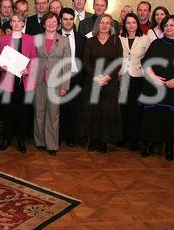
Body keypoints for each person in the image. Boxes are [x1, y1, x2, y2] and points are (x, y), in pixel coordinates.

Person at [140, 15, 174, 161]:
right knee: (152, 118)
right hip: (154, 88)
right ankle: (148, 145)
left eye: (172, 25)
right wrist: (155, 78)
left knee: (170, 119)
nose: (168, 28)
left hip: (173, 88)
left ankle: (169, 147)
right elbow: (146, 62)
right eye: (166, 25)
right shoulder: (156, 43)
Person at [81, 14, 123, 153]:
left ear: (111, 26)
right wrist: (96, 77)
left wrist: (108, 77)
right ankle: (93, 139)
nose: (104, 25)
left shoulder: (116, 41)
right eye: (102, 22)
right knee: (93, 112)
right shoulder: (90, 41)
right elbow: (86, 62)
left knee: (106, 112)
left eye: (108, 23)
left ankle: (104, 141)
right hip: (93, 82)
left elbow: (119, 62)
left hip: (109, 83)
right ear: (97, 25)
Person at [0, 11, 37, 153]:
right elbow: (0, 60)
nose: (16, 24)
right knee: (7, 112)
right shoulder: (3, 40)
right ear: (10, 23)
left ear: (23, 23)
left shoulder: (30, 39)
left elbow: (34, 59)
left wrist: (29, 69)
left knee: (22, 113)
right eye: (13, 21)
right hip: (8, 81)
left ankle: (21, 140)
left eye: (19, 21)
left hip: (23, 82)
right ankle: (6, 139)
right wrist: (1, 66)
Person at [34, 11, 71, 156]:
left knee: (53, 114)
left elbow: (67, 65)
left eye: (54, 22)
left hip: (56, 84)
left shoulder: (63, 40)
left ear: (58, 24)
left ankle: (52, 144)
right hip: (39, 82)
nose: (51, 24)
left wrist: (65, 87)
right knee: (39, 113)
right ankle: (40, 141)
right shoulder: (36, 39)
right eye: (48, 22)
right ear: (44, 24)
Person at [118, 13, 150, 150]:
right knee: (123, 109)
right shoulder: (119, 39)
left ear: (137, 24)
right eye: (128, 23)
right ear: (124, 25)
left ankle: (134, 139)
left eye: (133, 22)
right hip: (123, 77)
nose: (131, 25)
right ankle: (123, 136)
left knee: (135, 109)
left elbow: (149, 58)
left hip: (138, 77)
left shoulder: (145, 39)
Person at [58, 8, 86, 147]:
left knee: (73, 110)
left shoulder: (82, 38)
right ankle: (57, 135)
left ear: (74, 20)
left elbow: (85, 61)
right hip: (58, 78)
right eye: (65, 19)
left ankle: (70, 136)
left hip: (76, 78)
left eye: (70, 19)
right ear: (60, 20)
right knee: (58, 108)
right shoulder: (54, 36)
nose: (68, 22)